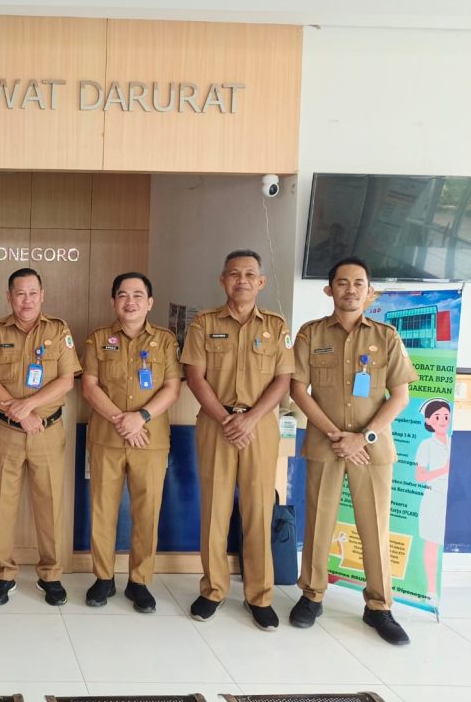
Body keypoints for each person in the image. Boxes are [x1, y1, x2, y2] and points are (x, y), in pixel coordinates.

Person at [289, 257, 419, 645]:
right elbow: (298, 390)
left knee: (374, 526)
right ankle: (312, 596)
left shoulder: (387, 336)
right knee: (319, 522)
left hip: (371, 450)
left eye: (358, 283)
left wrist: (362, 437)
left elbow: (400, 396)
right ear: (329, 289)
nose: (351, 289)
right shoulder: (311, 334)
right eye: (342, 282)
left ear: (369, 291)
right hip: (325, 444)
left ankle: (379, 606)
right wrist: (336, 434)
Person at [180, 249, 293, 630]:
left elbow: (283, 379)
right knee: (214, 509)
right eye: (233, 274)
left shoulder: (276, 326)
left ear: (261, 282)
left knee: (259, 510)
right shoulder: (203, 323)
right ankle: (213, 590)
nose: (241, 280)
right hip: (217, 424)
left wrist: (251, 419)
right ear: (222, 280)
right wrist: (227, 418)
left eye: (249, 274)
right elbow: (195, 376)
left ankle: (259, 596)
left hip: (259, 427)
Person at [0, 268, 81, 606]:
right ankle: (2, 575)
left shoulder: (59, 330)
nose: (27, 300)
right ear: (9, 297)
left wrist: (29, 407)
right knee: (1, 505)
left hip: (46, 431)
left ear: (42, 295)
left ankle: (50, 574)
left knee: (50, 504)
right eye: (20, 294)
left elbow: (66, 380)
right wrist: (19, 415)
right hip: (6, 431)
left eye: (33, 293)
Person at [80, 272, 181, 612]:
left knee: (147, 511)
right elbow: (89, 386)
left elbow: (172, 388)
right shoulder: (98, 339)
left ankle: (139, 581)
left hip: (149, 440)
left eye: (138, 295)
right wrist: (121, 419)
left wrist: (142, 417)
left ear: (150, 302)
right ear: (113, 301)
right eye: (123, 295)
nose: (130, 301)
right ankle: (103, 578)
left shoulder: (165, 340)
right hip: (106, 438)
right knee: (102, 510)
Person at [416, 398, 452, 600]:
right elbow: (419, 476)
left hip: (448, 498)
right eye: (437, 417)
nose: (443, 420)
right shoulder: (426, 445)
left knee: (441, 541)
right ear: (428, 421)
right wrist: (443, 470)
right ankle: (430, 589)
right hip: (432, 498)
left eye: (446, 416)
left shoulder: (452, 442)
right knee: (431, 544)